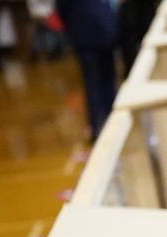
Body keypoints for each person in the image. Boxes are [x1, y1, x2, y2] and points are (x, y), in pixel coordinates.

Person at [56, 0, 121, 138]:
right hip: (100, 32)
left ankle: (99, 126)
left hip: (89, 35)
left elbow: (62, 11)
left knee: (96, 83)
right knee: (103, 81)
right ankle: (108, 124)